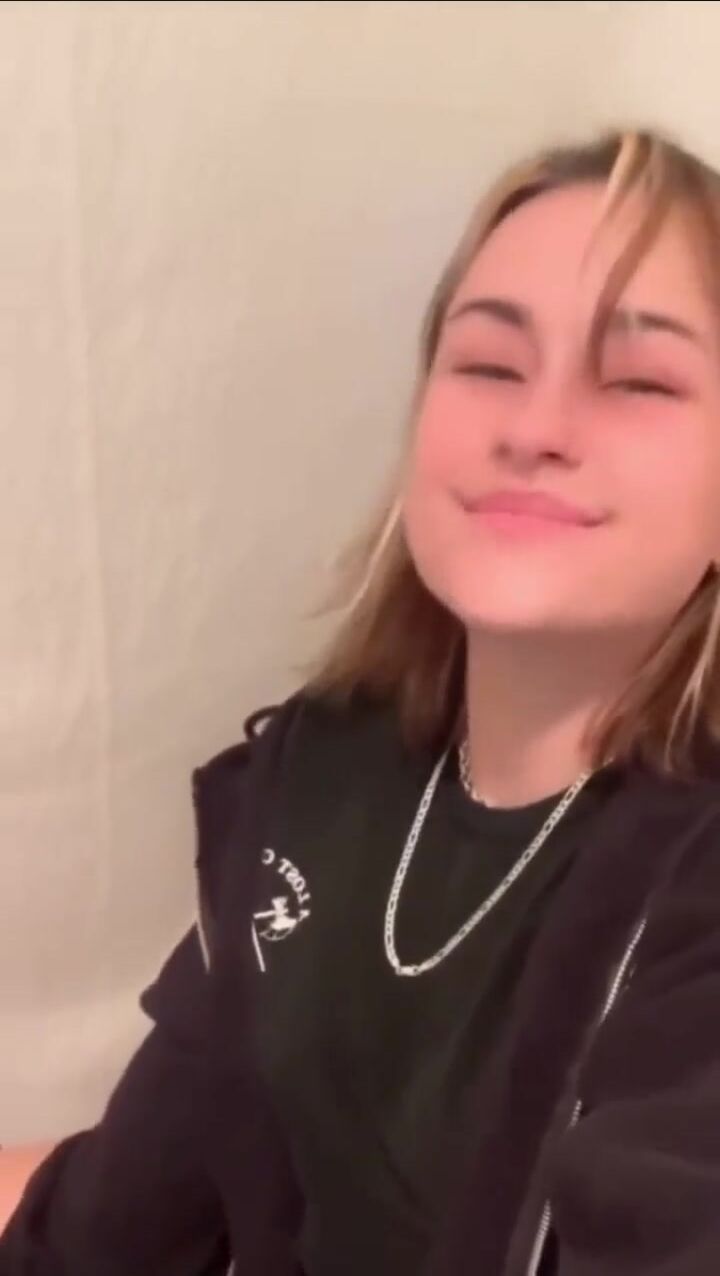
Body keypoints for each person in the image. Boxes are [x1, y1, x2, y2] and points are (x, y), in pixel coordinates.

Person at [3, 126, 720, 1276]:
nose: (534, 429)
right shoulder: (321, 775)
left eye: (638, 380)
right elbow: (114, 1218)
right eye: (489, 364)